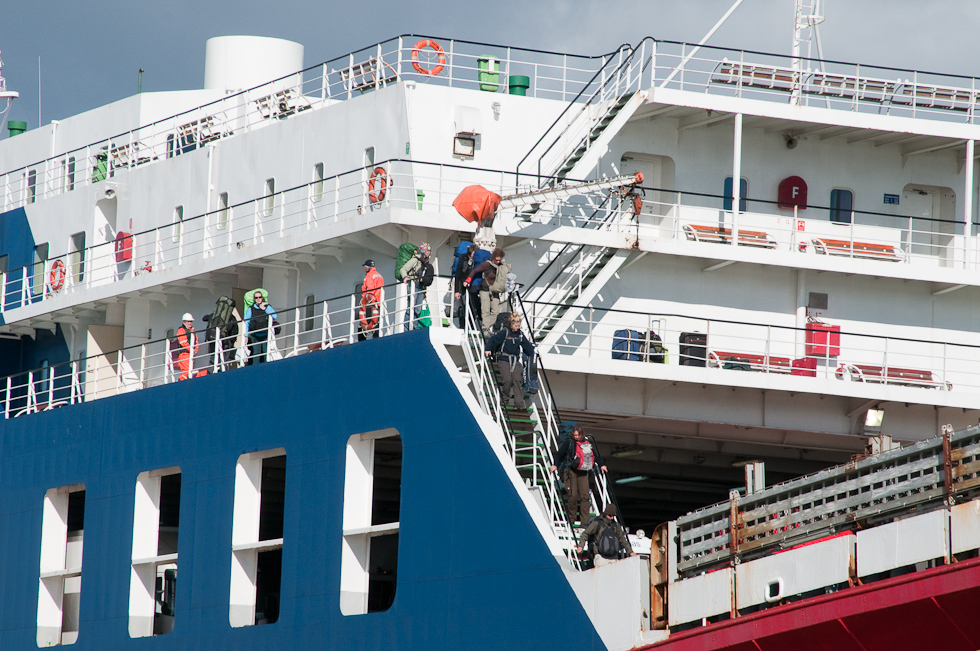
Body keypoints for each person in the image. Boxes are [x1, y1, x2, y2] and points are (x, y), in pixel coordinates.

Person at [550, 425, 608, 526]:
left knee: (585, 496)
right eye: (575, 435)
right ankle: (571, 518)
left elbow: (593, 454)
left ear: (582, 434)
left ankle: (584, 521)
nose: (576, 437)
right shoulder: (568, 442)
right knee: (572, 495)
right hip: (570, 470)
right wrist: (555, 465)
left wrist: (602, 465)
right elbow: (559, 454)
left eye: (578, 435)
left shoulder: (586, 443)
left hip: (583, 471)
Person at [484, 312, 535, 411]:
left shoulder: (520, 334)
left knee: (517, 380)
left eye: (519, 326)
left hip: (514, 360)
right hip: (503, 359)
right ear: (511, 324)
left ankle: (519, 404)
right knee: (507, 379)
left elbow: (527, 346)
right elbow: (493, 340)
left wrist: (535, 354)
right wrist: (488, 349)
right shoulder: (505, 332)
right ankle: (505, 399)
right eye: (516, 326)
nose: (517, 328)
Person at [577, 503, 636, 568]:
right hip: (600, 557)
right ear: (605, 514)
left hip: (614, 557)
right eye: (610, 515)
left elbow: (622, 539)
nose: (611, 518)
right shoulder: (597, 523)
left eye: (613, 516)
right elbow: (585, 534)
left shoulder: (616, 526)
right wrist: (581, 546)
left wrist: (630, 552)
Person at [465, 247, 505, 335]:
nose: (498, 262)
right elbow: (474, 271)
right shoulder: (487, 264)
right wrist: (467, 281)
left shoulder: (501, 266)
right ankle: (485, 329)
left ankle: (484, 326)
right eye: (496, 260)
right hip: (484, 290)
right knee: (485, 310)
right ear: (493, 257)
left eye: (499, 260)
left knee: (496, 312)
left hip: (495, 291)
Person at [400, 242, 433, 326]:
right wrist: (405, 277)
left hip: (421, 288)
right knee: (410, 307)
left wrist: (424, 292)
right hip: (413, 284)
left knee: (417, 309)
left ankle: (414, 326)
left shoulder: (426, 263)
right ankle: (407, 328)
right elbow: (403, 269)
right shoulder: (415, 260)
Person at [244, 288, 277, 364]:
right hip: (255, 335)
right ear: (254, 299)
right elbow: (247, 322)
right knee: (256, 354)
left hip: (265, 334)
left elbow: (274, 316)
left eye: (259, 297)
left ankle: (266, 368)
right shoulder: (250, 309)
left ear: (262, 298)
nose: (258, 299)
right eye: (256, 298)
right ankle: (255, 369)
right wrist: (246, 336)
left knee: (266, 353)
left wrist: (265, 309)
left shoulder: (267, 307)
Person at [359, 260, 384, 341]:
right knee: (376, 323)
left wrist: (365, 300)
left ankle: (362, 342)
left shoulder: (369, 275)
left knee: (363, 325)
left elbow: (369, 290)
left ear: (367, 267)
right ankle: (376, 339)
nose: (364, 268)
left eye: (365, 267)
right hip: (379, 302)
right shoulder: (379, 275)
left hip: (371, 304)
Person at [174, 313, 204, 380]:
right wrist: (191, 349)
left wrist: (196, 349)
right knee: (186, 371)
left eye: (191, 321)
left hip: (190, 354)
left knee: (189, 371)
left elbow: (196, 341)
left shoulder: (192, 330)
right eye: (188, 321)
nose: (190, 323)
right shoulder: (181, 330)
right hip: (184, 354)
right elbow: (183, 342)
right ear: (184, 322)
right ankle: (181, 383)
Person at [453, 244, 478, 326]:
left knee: (474, 308)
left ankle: (471, 326)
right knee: (464, 307)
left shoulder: (478, 261)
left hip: (474, 287)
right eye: (471, 256)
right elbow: (458, 275)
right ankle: (463, 326)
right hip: (464, 287)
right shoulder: (462, 260)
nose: (472, 258)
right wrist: (456, 291)